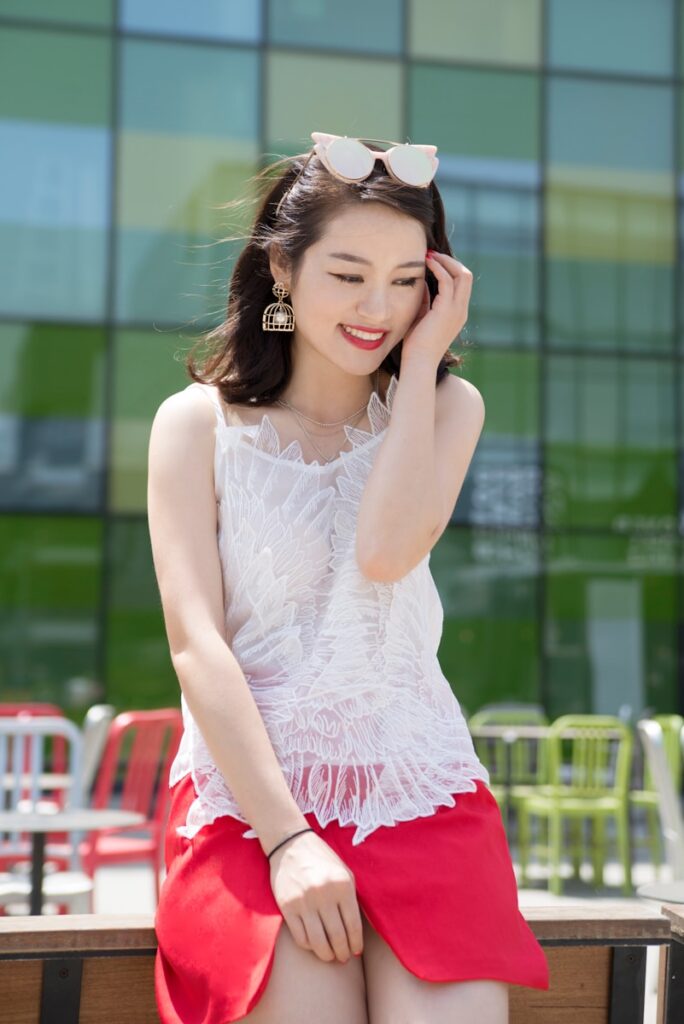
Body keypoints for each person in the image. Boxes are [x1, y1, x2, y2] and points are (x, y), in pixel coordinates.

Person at [148, 132, 549, 1024]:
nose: (379, 305)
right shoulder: (195, 427)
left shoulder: (449, 405)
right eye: (349, 273)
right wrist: (288, 838)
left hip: (416, 785)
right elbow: (196, 645)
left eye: (409, 279)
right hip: (247, 807)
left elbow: (385, 552)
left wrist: (415, 369)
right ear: (283, 270)